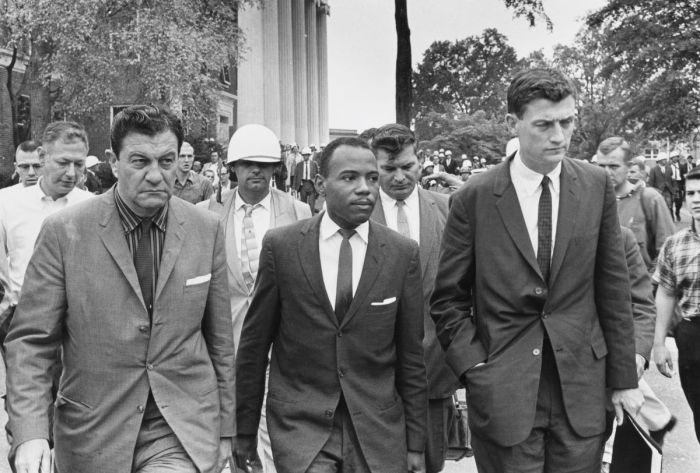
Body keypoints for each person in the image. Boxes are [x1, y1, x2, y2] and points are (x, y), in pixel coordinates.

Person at [430, 68, 642, 473]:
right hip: (504, 392)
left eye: (567, 121)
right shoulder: (474, 197)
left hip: (581, 390)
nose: (559, 136)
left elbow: (613, 288)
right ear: (513, 123)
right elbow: (448, 299)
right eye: (544, 124)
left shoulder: (596, 186)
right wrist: (475, 369)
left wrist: (624, 379)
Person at [4, 105, 235, 473]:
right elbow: (32, 341)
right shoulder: (64, 232)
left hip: (180, 426)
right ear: (114, 162)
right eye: (140, 161)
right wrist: (30, 433)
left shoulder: (205, 229)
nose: (156, 175)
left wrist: (227, 429)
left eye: (167, 160)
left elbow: (220, 339)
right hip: (93, 430)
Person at [235, 137, 427, 473]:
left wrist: (415, 444)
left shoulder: (401, 253)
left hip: (376, 433)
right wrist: (244, 432)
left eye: (371, 177)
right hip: (301, 430)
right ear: (321, 184)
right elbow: (254, 347)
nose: (365, 188)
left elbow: (411, 357)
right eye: (350, 178)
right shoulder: (282, 248)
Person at [198, 124, 310, 473]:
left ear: (277, 167)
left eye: (264, 164)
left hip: (279, 343)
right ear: (233, 167)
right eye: (247, 163)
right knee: (226, 430)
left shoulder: (298, 213)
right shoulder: (206, 214)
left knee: (270, 430)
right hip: (224, 342)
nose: (256, 171)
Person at [370, 123, 460, 473]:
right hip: (372, 373)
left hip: (434, 368)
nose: (398, 177)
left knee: (430, 463)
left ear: (421, 162)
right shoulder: (356, 213)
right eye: (388, 169)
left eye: (406, 166)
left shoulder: (449, 210)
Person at [0, 123, 93, 336]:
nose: (71, 173)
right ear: (43, 156)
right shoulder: (7, 204)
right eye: (63, 163)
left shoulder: (93, 206)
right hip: (22, 320)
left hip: (79, 324)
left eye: (79, 164)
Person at [653, 166, 700, 444]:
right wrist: (659, 343)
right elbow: (667, 294)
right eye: (692, 193)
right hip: (693, 336)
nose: (697, 199)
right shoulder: (675, 245)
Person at [596, 137, 674, 270]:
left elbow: (668, 252)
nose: (607, 172)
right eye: (601, 166)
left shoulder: (649, 198)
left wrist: (647, 285)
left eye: (614, 166)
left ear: (629, 166)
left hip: (639, 286)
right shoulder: (591, 201)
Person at [294, 147, 319, 213]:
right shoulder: (299, 164)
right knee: (303, 205)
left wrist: (318, 186)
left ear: (309, 155)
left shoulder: (314, 164)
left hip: (311, 185)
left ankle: (312, 219)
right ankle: (304, 219)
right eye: (303, 155)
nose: (304, 156)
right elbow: (296, 176)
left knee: (311, 205)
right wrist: (294, 187)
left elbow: (317, 175)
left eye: (306, 155)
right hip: (303, 185)